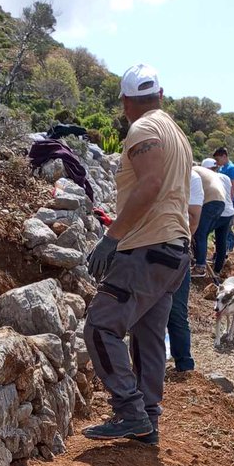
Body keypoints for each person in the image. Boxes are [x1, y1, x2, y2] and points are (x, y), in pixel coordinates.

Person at [82, 63, 193, 444]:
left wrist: (112, 238)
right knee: (147, 336)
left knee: (100, 326)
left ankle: (129, 412)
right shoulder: (176, 133)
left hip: (147, 247)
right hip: (175, 252)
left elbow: (150, 184)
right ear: (159, 96)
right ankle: (148, 419)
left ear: (127, 102)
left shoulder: (143, 129)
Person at [167, 168, 204, 373]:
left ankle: (145, 366)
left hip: (152, 246)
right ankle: (184, 364)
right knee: (177, 309)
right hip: (176, 248)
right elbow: (194, 216)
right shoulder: (193, 176)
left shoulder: (158, 166)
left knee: (147, 310)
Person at [191, 160, 227, 277]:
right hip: (220, 202)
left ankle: (200, 266)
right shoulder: (204, 171)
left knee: (199, 233)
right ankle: (197, 261)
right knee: (202, 234)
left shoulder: (193, 172)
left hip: (210, 201)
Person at [211, 164, 234, 274]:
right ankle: (217, 269)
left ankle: (200, 263)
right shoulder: (225, 177)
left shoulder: (209, 177)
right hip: (229, 211)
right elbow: (230, 194)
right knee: (221, 240)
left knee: (201, 234)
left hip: (219, 211)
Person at [214, 146, 234, 251]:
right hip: (222, 201)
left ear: (224, 156)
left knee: (226, 229)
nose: (217, 162)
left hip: (228, 202)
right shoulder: (222, 168)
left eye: (218, 159)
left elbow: (233, 187)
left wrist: (229, 202)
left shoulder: (231, 168)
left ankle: (228, 250)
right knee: (223, 229)